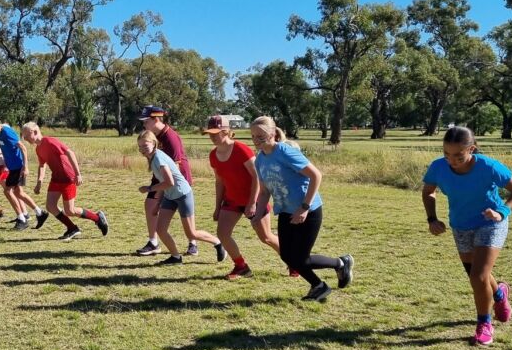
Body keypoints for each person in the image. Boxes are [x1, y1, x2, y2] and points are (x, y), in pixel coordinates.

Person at [422, 126, 512, 346]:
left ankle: (484, 324)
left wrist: (502, 212)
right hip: (460, 226)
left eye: (458, 155)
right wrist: (432, 218)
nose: (452, 160)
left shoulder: (488, 166)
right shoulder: (438, 167)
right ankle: (499, 294)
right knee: (477, 274)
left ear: (472, 148)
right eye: (447, 154)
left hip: (491, 223)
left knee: (478, 276)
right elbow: (428, 191)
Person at [250, 116, 352, 301]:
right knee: (288, 256)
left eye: (261, 136)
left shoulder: (285, 152)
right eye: (253, 136)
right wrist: (258, 214)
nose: (256, 140)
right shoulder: (260, 160)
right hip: (286, 211)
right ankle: (323, 281)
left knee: (300, 259)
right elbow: (264, 192)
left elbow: (316, 176)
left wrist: (304, 207)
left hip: (309, 210)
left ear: (273, 133)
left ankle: (336, 268)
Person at [138, 130, 223, 265]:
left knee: (192, 233)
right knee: (160, 229)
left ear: (154, 143)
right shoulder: (152, 158)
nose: (142, 149)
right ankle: (176, 257)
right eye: (140, 147)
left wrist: (149, 189)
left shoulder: (159, 158)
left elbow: (169, 182)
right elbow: (163, 183)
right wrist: (158, 204)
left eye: (145, 146)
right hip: (170, 196)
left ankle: (217, 242)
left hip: (183, 194)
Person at [203, 115, 271, 279]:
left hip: (253, 200)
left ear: (226, 131)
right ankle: (241, 267)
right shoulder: (213, 155)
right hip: (232, 200)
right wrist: (217, 207)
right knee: (223, 233)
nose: (212, 136)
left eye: (215, 132)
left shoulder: (241, 149)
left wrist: (253, 203)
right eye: (209, 133)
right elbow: (219, 182)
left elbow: (257, 177)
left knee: (266, 238)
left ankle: (294, 263)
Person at [21, 122, 109, 240]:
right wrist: (39, 182)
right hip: (56, 178)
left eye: (26, 135)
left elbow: (69, 152)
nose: (25, 139)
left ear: (35, 132)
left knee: (70, 210)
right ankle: (72, 228)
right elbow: (42, 165)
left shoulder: (50, 141)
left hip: (68, 177)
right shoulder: (38, 149)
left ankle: (97, 218)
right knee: (50, 206)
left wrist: (78, 174)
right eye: (24, 136)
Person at [135, 105, 197, 257]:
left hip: (178, 181)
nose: (144, 124)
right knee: (150, 204)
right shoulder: (154, 136)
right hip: (161, 179)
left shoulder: (170, 137)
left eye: (146, 121)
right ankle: (153, 242)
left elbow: (175, 166)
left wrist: (159, 190)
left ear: (156, 119)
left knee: (186, 213)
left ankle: (193, 242)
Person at [0, 118, 45, 230]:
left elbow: (23, 147)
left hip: (18, 166)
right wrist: (5, 163)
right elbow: (5, 148)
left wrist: (25, 167)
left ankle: (22, 219)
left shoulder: (7, 132)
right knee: (18, 192)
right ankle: (40, 213)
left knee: (8, 191)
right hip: (12, 167)